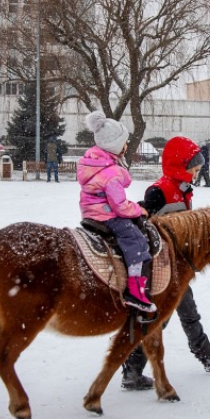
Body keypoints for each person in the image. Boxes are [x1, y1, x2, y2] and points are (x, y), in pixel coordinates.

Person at [121, 136, 210, 391]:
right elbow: (144, 221)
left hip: (177, 265)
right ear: (179, 166)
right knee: (163, 317)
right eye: (193, 168)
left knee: (184, 310)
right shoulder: (159, 190)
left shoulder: (183, 190)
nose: (197, 172)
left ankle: (204, 354)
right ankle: (133, 369)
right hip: (162, 268)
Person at [77, 111, 155, 313]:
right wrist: (139, 210)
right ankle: (135, 291)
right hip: (106, 215)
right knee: (136, 240)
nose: (127, 146)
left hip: (91, 212)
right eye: (124, 142)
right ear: (114, 146)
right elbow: (119, 206)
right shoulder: (111, 174)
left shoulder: (96, 164)